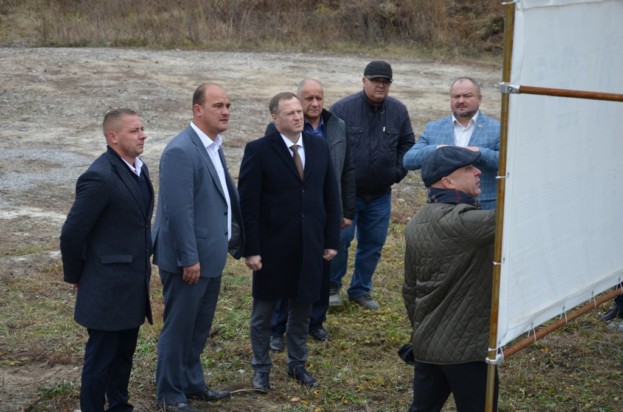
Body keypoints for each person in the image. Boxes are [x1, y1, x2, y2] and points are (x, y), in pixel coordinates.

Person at [238, 92, 341, 392]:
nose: (298, 117)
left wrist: (330, 239)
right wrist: (251, 249)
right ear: (275, 118)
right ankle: (261, 368)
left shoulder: (319, 146)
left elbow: (330, 196)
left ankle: (297, 363)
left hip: (310, 245)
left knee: (302, 309)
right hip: (272, 247)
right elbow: (248, 205)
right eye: (290, 113)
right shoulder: (259, 150)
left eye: (299, 112)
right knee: (263, 313)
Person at [152, 83, 243, 412]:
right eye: (218, 106)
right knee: (179, 328)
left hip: (210, 256)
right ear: (197, 110)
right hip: (189, 262)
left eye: (228, 105)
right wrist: (188, 258)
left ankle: (191, 382)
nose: (225, 111)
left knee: (198, 326)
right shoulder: (181, 151)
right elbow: (178, 213)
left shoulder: (213, 146)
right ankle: (169, 393)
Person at [60, 108, 154, 412]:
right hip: (106, 287)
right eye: (134, 131)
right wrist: (76, 274)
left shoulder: (140, 169)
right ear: (113, 137)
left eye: (142, 129)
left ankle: (119, 405)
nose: (143, 135)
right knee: (100, 359)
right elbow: (72, 233)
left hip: (132, 284)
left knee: (124, 355)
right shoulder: (99, 177)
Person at [402, 146, 498, 411]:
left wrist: (422, 332)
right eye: (468, 168)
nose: (478, 172)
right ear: (447, 181)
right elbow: (517, 216)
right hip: (467, 351)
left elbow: (410, 290)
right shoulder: (465, 223)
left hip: (427, 345)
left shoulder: (415, 223)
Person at [265, 79, 356, 351]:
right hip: (290, 215)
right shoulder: (279, 128)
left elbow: (347, 170)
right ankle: (277, 327)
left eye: (319, 98)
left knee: (321, 268)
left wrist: (346, 210)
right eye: (308, 99)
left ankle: (315, 321)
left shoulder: (337, 126)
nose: (315, 104)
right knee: (285, 269)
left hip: (322, 212)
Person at [329, 60, 415, 310]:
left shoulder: (398, 111)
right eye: (375, 80)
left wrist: (396, 173)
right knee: (340, 240)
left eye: (385, 81)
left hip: (380, 195)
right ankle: (331, 286)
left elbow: (408, 143)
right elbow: (329, 145)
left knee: (373, 244)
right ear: (363, 80)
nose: (380, 85)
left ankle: (361, 289)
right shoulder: (342, 109)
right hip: (347, 195)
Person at [403, 77, 500, 210]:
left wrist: (479, 153)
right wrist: (438, 149)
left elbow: (510, 163)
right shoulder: (433, 128)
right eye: (456, 96)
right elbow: (409, 160)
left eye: (467, 96)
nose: (461, 101)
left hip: (485, 209)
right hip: (443, 211)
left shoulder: (498, 128)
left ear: (480, 98)